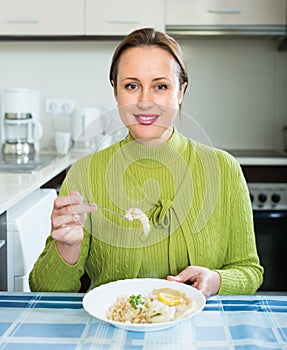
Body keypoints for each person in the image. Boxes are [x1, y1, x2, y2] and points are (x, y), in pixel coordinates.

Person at [29, 28, 263, 298]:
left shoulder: (224, 169)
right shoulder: (85, 173)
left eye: (160, 86)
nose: (145, 102)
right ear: (116, 92)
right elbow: (43, 291)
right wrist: (66, 248)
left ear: (180, 92)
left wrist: (216, 281)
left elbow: (249, 270)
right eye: (132, 86)